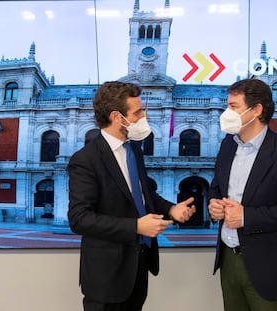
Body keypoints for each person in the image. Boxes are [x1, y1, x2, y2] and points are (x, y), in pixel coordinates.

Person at [67, 81, 196, 311]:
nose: (142, 118)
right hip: (106, 277)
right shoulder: (85, 160)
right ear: (117, 117)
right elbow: (80, 219)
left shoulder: (134, 149)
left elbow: (146, 193)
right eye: (137, 113)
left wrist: (171, 209)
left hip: (138, 267)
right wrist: (136, 226)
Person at [208, 78, 277, 311]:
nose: (227, 112)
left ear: (256, 110)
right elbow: (216, 187)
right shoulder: (228, 145)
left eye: (233, 107)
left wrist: (246, 217)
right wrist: (213, 203)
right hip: (228, 260)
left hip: (271, 269)